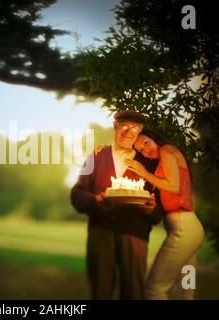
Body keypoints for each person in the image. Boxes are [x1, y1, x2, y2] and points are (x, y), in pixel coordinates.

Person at [70, 110, 164, 300]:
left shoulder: (149, 162)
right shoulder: (96, 156)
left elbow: (159, 207)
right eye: (124, 126)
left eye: (135, 128)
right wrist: (95, 201)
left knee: (133, 293)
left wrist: (151, 208)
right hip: (100, 232)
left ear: (140, 131)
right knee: (100, 292)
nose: (129, 132)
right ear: (115, 126)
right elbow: (77, 194)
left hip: (135, 234)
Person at [125, 129, 205, 300]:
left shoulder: (166, 150)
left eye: (145, 142)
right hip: (192, 229)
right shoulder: (166, 157)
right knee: (185, 289)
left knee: (154, 289)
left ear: (154, 138)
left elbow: (173, 187)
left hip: (183, 229)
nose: (145, 150)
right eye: (140, 150)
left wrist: (144, 173)